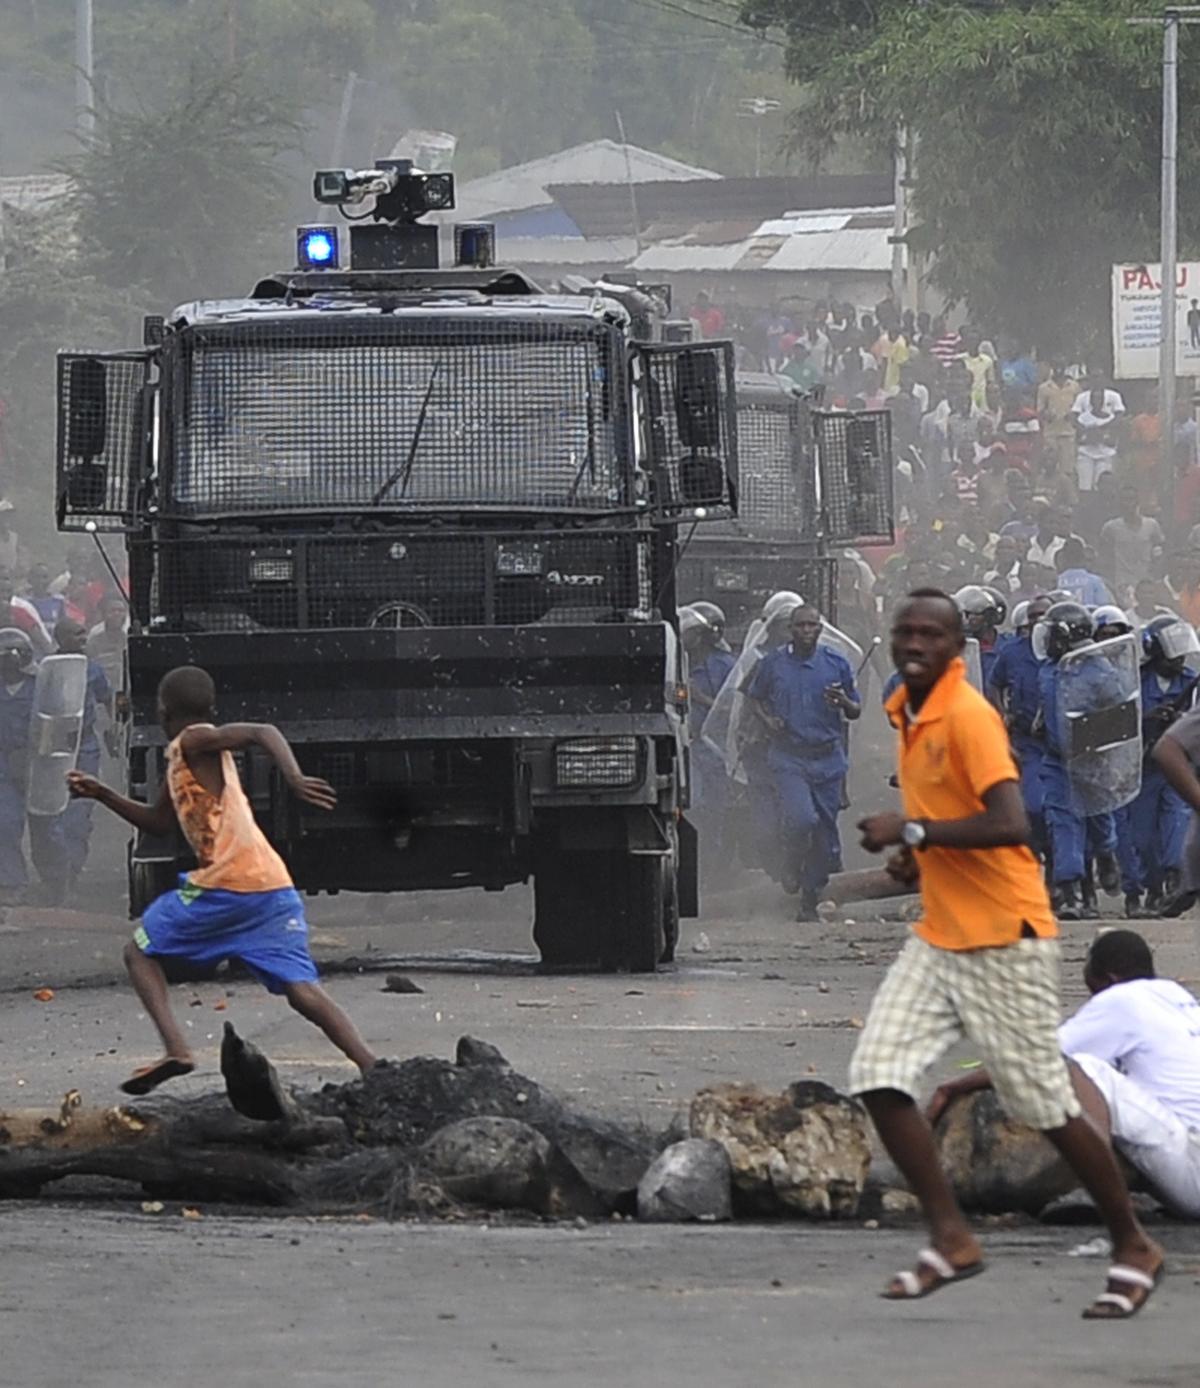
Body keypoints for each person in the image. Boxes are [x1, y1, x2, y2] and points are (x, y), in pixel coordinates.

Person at [851, 589, 1164, 1317]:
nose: (916, 644)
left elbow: (1009, 823)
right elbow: (943, 822)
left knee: (1041, 1102)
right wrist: (914, 857)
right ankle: (953, 1237)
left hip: (1005, 933)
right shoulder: (908, 712)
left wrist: (916, 835)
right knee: (878, 1073)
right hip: (942, 932)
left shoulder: (968, 716)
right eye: (906, 632)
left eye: (933, 634)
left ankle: (1133, 1242)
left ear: (959, 649)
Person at [67, 664, 377, 1094]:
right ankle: (372, 1066)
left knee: (139, 953)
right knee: (300, 988)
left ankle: (176, 1049)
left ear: (163, 710)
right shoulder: (182, 758)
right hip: (270, 886)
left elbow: (262, 731)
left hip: (227, 883)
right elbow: (158, 822)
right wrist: (101, 793)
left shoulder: (194, 738)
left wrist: (294, 777)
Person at [928, 930, 1200, 1221]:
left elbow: (1039, 1057)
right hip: (1187, 1156)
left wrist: (953, 1088)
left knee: (1082, 1067)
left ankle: (1098, 1189)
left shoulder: (1122, 1000)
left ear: (1109, 978)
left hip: (1193, 1170)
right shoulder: (1178, 999)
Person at [744, 604, 861, 919]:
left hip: (827, 758)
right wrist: (768, 720)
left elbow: (855, 709)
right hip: (789, 757)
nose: (807, 631)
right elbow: (753, 696)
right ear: (790, 630)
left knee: (825, 837)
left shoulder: (836, 664)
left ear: (820, 629)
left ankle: (810, 900)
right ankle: (791, 864)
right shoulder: (772, 664)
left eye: (812, 625)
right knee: (800, 820)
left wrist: (843, 701)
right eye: (801, 626)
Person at [1036, 600, 1124, 919]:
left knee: (1100, 818)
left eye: (1052, 634)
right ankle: (1070, 888)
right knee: (1063, 823)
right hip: (1057, 761)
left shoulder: (1099, 670)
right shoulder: (1048, 669)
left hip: (1093, 760)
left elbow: (1118, 714)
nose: (1046, 641)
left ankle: (1106, 854)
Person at [1127, 615, 1200, 914]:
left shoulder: (1190, 681)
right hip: (1143, 769)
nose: (1178, 659)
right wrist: (1148, 719)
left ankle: (1175, 881)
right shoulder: (1135, 680)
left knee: (1176, 828)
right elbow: (1119, 720)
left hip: (1179, 770)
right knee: (1143, 838)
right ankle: (1152, 886)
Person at [51, 617, 112, 891]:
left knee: (79, 813)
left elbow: (107, 699)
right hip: (54, 749)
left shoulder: (93, 670)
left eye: (84, 633)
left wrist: (114, 728)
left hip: (85, 747)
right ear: (60, 638)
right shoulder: (47, 670)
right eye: (77, 634)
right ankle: (55, 870)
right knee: (54, 813)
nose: (83, 638)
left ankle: (71, 871)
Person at [987, 594, 1051, 859]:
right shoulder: (1012, 652)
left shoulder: (1067, 651)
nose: (1038, 621)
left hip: (1064, 743)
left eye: (1043, 615)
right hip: (1029, 742)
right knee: (1034, 806)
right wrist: (1002, 713)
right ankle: (1038, 850)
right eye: (1033, 615)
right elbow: (994, 683)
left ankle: (1063, 875)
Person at [1099, 485, 1165, 603]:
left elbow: (1160, 552)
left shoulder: (1152, 525)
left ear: (1137, 501)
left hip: (1145, 583)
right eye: (1124, 499)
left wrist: (1155, 575)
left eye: (1131, 499)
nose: (1128, 503)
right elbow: (1104, 556)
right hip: (1122, 584)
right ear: (1119, 502)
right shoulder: (1111, 527)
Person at [1072, 380, 1125, 493]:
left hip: (1105, 455)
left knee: (1102, 487)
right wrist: (1089, 437)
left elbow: (1112, 441)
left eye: (1099, 399)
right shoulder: (1083, 418)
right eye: (1094, 399)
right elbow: (1079, 440)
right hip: (1086, 455)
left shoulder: (1111, 419)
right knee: (1084, 487)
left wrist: (1101, 436)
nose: (1097, 401)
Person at [1037, 360, 1079, 482]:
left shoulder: (1074, 386)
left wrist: (1073, 415)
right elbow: (1040, 409)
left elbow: (1079, 408)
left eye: (1061, 366)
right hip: (1051, 433)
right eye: (1056, 366)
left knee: (1068, 468)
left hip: (1069, 432)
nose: (1059, 369)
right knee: (1050, 466)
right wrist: (1047, 414)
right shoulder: (1044, 388)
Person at [0, 563, 51, 657]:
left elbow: (44, 642)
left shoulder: (20, 612)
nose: (5, 596)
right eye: (1, 591)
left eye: (8, 591)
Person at [1055, 538, 1114, 608]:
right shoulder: (1095, 581)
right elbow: (1105, 608)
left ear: (1064, 558)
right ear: (1083, 558)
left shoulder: (1056, 581)